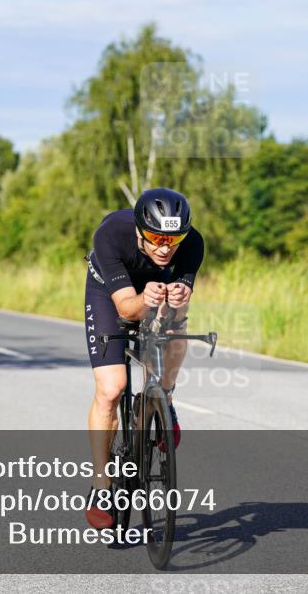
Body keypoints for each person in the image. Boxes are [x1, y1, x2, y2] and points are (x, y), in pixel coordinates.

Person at [83, 187, 204, 529]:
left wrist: (178, 298)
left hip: (156, 289)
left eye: (173, 239)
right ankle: (101, 486)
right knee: (112, 389)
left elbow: (177, 310)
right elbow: (126, 309)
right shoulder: (110, 235)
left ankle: (164, 399)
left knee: (176, 324)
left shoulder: (193, 243)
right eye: (156, 238)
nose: (165, 248)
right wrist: (146, 300)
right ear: (140, 230)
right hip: (109, 293)